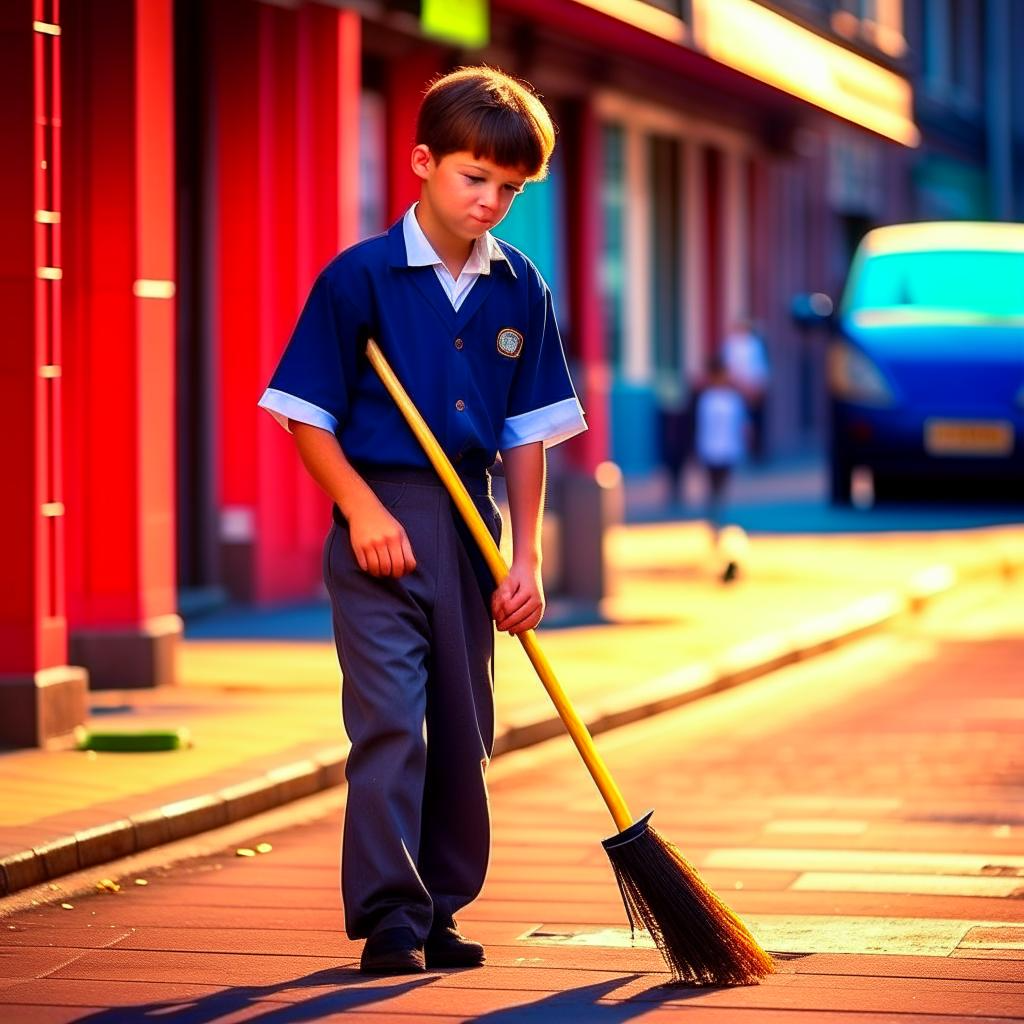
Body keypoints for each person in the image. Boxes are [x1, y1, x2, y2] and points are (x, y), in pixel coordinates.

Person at [258, 67, 585, 975]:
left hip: (472, 525)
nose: (491, 202)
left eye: (510, 189)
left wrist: (527, 557)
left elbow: (528, 433)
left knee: (464, 726)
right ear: (422, 162)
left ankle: (441, 905)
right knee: (393, 720)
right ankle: (390, 918)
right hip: (380, 523)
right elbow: (303, 414)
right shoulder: (358, 279)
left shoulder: (522, 288)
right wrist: (360, 508)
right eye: (474, 178)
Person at [693, 353, 749, 577]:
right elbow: (702, 427)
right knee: (712, 489)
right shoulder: (707, 400)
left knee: (721, 489)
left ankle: (719, 520)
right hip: (711, 451)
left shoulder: (732, 400)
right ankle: (714, 523)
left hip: (727, 450)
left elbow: (739, 426)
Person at [721, 318, 770, 461]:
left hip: (753, 387)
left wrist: (756, 385)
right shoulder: (730, 345)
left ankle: (757, 451)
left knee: (755, 419)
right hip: (737, 388)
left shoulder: (754, 344)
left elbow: (760, 367)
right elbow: (729, 367)